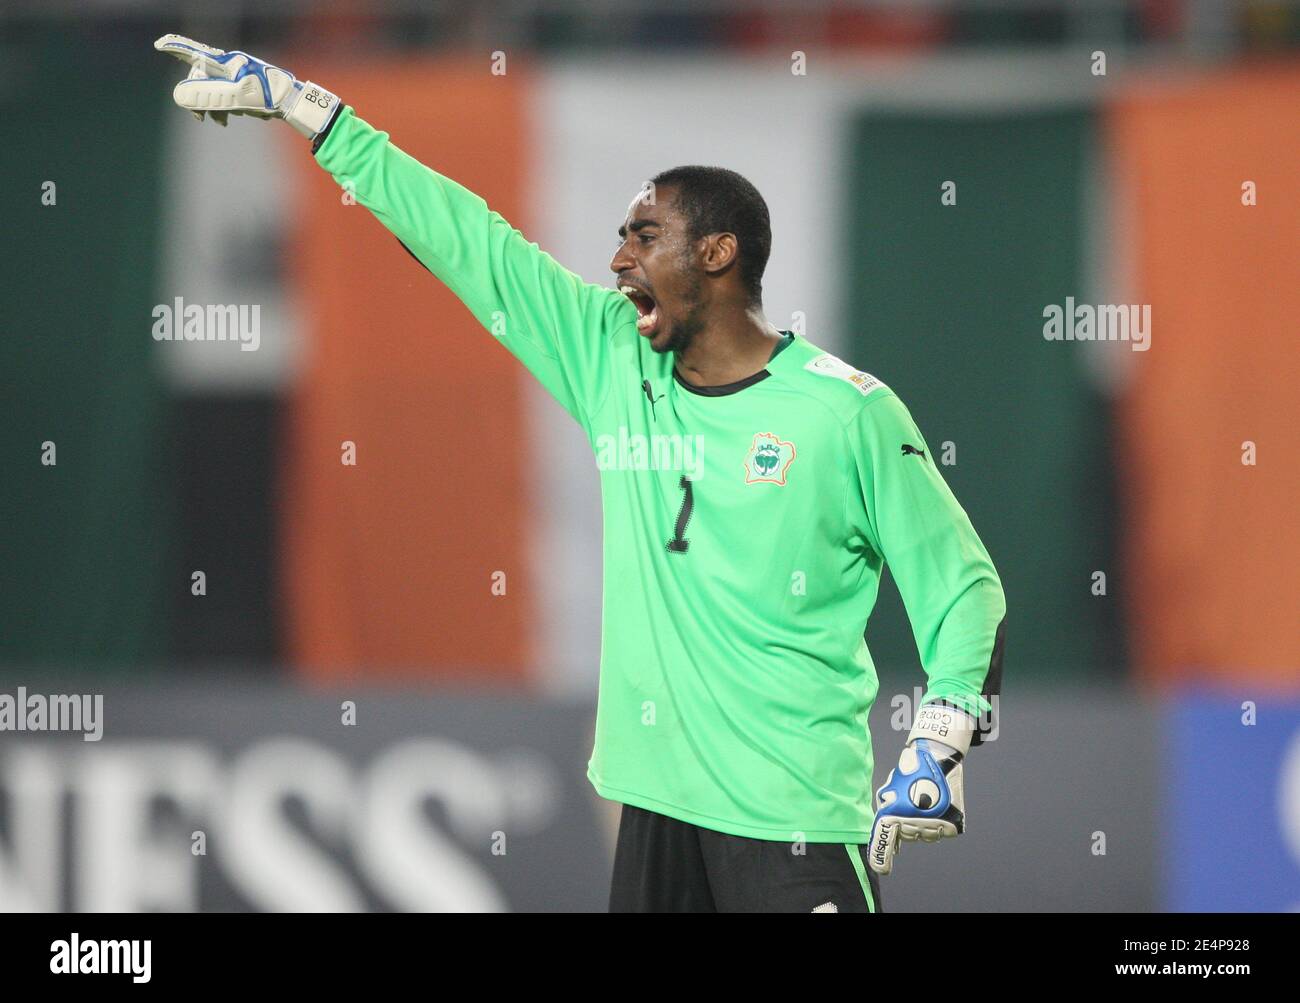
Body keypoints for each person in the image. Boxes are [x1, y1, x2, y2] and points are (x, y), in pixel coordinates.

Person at [156, 34, 1007, 913]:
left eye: (643, 236)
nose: (616, 261)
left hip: (793, 821)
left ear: (716, 254)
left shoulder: (847, 413)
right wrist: (313, 113)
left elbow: (963, 585)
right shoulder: (610, 357)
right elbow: (469, 243)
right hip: (654, 812)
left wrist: (940, 736)